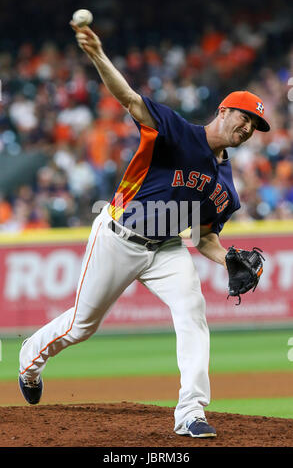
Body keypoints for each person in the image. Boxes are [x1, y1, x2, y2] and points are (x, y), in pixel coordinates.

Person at [18, 22, 270, 439]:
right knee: (83, 324)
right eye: (244, 120)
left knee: (192, 312)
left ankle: (190, 411)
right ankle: (30, 358)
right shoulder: (176, 131)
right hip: (118, 235)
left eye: (254, 129)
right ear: (223, 111)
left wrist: (226, 256)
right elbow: (130, 99)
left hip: (168, 249)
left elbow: (204, 236)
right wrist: (98, 55)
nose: (246, 130)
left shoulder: (226, 187)